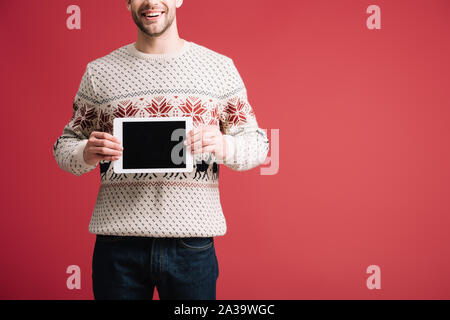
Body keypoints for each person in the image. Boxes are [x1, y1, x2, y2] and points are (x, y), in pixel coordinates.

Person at [53, 0, 269, 300]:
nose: (151, 2)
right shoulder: (98, 73)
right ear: (127, 2)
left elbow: (258, 144)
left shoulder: (219, 68)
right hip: (118, 246)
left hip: (192, 246)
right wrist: (85, 153)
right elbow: (64, 146)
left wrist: (225, 144)